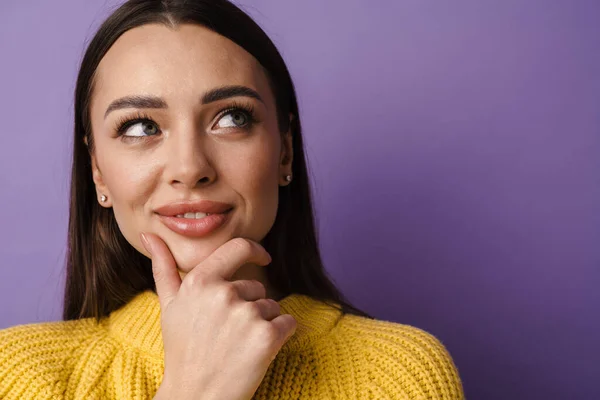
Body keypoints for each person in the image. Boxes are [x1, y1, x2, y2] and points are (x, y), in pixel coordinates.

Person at [0, 0, 464, 399]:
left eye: (232, 118)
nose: (190, 167)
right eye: (141, 127)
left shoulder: (395, 374)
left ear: (284, 150)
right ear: (97, 169)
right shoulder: (20, 376)